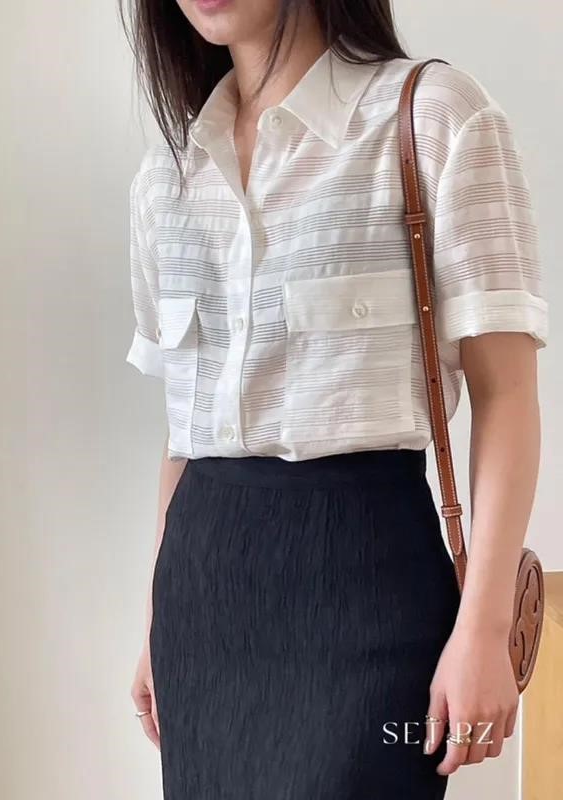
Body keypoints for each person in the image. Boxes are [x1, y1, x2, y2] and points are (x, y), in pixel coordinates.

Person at [122, 1, 549, 798]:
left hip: (368, 581)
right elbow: (184, 434)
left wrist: (485, 628)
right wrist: (155, 619)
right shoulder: (167, 177)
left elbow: (508, 395)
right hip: (201, 595)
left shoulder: (431, 118)